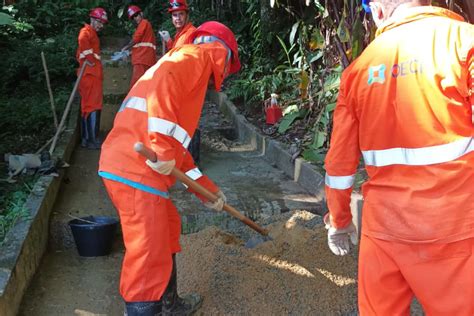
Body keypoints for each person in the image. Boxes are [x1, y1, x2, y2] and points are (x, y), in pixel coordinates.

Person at [323, 0, 473, 314]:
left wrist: (339, 221)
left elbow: (339, 165)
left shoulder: (358, 71)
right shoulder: (464, 42)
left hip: (383, 231)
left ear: (377, 10)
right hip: (455, 228)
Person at [98, 21, 241, 316]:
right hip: (135, 169)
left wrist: (209, 192)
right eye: (230, 64)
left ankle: (170, 304)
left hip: (135, 166)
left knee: (167, 229)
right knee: (147, 255)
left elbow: (179, 157)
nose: (226, 73)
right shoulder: (192, 58)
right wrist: (162, 148)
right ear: (223, 53)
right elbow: (163, 96)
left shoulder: (190, 65)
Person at [158, 0, 202, 164]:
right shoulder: (180, 34)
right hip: (180, 84)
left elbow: (185, 60)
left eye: (181, 14)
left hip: (188, 85)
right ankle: (186, 159)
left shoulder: (190, 33)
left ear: (186, 15)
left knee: (190, 120)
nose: (177, 18)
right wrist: (169, 42)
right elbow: (177, 54)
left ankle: (192, 161)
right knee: (183, 120)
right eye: (175, 15)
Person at [76, 7, 108, 150]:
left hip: (90, 74)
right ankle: (92, 140)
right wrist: (90, 60)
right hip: (90, 75)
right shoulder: (87, 31)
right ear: (93, 20)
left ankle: (86, 139)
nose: (101, 26)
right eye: (100, 22)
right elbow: (82, 39)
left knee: (87, 106)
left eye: (103, 23)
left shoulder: (92, 32)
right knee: (93, 105)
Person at [121, 5, 157, 88]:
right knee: (144, 85)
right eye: (133, 17)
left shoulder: (144, 23)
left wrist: (126, 48)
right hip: (146, 59)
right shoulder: (145, 26)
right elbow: (141, 44)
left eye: (136, 15)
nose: (135, 18)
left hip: (142, 59)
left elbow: (137, 38)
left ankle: (132, 101)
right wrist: (129, 52)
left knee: (136, 85)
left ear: (141, 13)